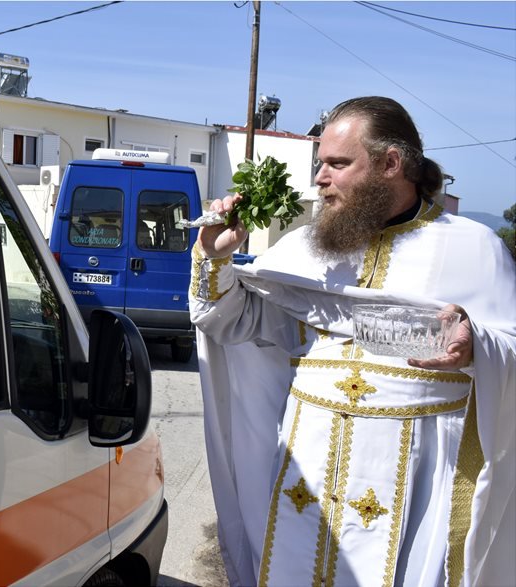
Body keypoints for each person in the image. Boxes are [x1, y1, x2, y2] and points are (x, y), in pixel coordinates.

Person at [190, 96, 515, 586]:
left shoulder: (473, 249)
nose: (319, 178)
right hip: (308, 473)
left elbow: (509, 352)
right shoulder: (303, 249)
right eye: (320, 163)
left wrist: (477, 347)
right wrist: (214, 261)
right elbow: (237, 325)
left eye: (338, 164)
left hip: (413, 476)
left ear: (391, 163)